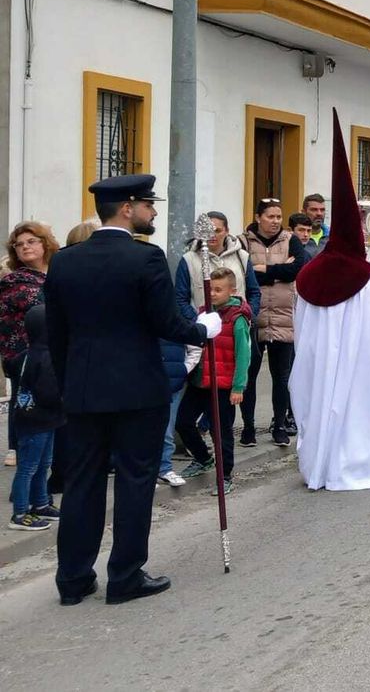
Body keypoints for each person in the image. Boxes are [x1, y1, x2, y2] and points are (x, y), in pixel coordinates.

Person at [47, 174, 221, 605]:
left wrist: (71, 383)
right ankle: (124, 575)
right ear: (127, 208)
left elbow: (57, 334)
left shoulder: (66, 260)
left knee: (82, 481)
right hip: (139, 390)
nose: (154, 211)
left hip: (84, 390)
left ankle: (72, 579)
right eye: (148, 204)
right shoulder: (146, 259)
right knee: (134, 480)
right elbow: (166, 324)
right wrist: (204, 328)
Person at [288, 113, 370, 491]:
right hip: (360, 370)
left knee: (319, 399)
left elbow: (301, 328)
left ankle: (320, 463)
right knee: (356, 408)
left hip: (317, 365)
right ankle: (356, 461)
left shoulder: (307, 275)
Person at [175, 268, 252, 494]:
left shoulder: (237, 318)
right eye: (210, 289)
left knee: (222, 432)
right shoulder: (204, 313)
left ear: (232, 291)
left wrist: (239, 386)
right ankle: (202, 458)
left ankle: (225, 475)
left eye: (219, 290)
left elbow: (243, 354)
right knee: (183, 421)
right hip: (201, 381)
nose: (213, 294)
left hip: (223, 384)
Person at [243, 199, 308, 448]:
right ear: (258, 217)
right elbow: (246, 271)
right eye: (270, 216)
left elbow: (296, 271)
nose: (275, 221)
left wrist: (264, 270)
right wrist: (279, 270)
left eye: (279, 217)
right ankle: (248, 427)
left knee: (281, 377)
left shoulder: (290, 240)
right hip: (254, 319)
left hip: (283, 318)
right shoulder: (244, 241)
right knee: (249, 376)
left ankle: (279, 425)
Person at [1, 222, 56, 473]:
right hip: (22, 352)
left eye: (31, 241)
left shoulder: (55, 273)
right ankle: (18, 449)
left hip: (50, 350)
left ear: (45, 243)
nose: (25, 247)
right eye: (19, 244)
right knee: (24, 403)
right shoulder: (16, 281)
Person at [10, 305, 62, 531]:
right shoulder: (47, 357)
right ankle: (20, 513)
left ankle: (40, 503)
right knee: (29, 467)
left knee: (42, 464)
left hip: (31, 419)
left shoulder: (25, 355)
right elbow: (49, 393)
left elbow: (9, 366)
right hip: (39, 420)